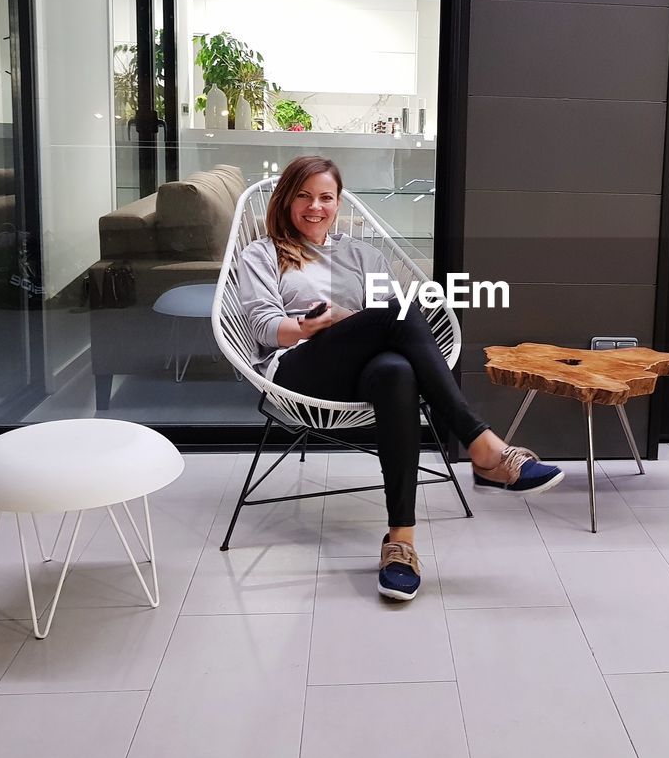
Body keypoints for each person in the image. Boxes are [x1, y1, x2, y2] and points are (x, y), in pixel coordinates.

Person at [236, 155, 563, 601]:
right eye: (304, 196)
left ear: (338, 202)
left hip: (360, 369)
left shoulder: (362, 254)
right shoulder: (263, 253)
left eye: (326, 197)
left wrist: (355, 323)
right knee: (401, 312)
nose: (316, 207)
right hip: (298, 369)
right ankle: (484, 447)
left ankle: (400, 543)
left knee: (395, 371)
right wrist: (309, 327)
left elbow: (390, 328)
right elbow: (260, 325)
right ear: (286, 199)